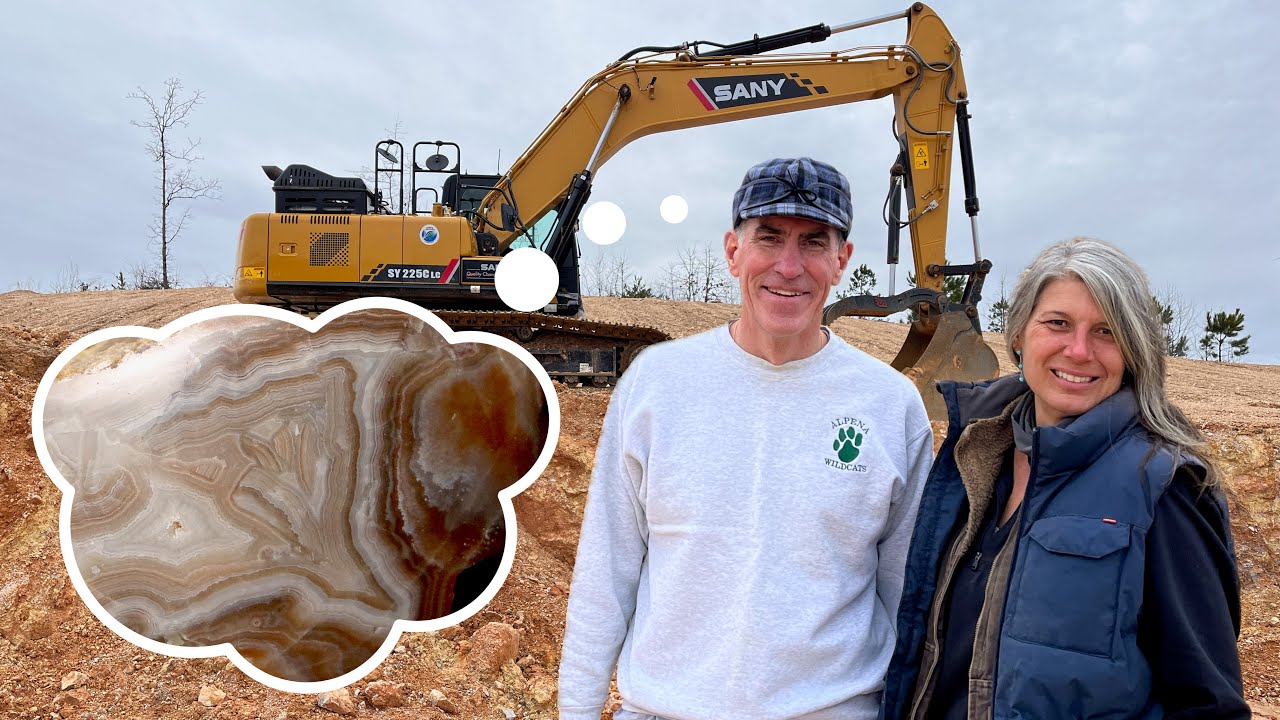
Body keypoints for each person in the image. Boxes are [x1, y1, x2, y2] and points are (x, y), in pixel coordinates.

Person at [557, 157, 934, 720]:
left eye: (813, 242)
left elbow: (907, 593)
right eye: (769, 237)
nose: (788, 265)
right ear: (733, 251)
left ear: (841, 261)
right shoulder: (658, 386)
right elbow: (605, 572)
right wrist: (577, 710)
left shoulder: (889, 405)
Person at [881, 237, 1248, 719]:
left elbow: (1208, 703)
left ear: (1133, 350)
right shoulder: (972, 458)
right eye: (1057, 323)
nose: (1078, 351)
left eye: (1106, 332)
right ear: (1018, 335)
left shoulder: (1163, 486)